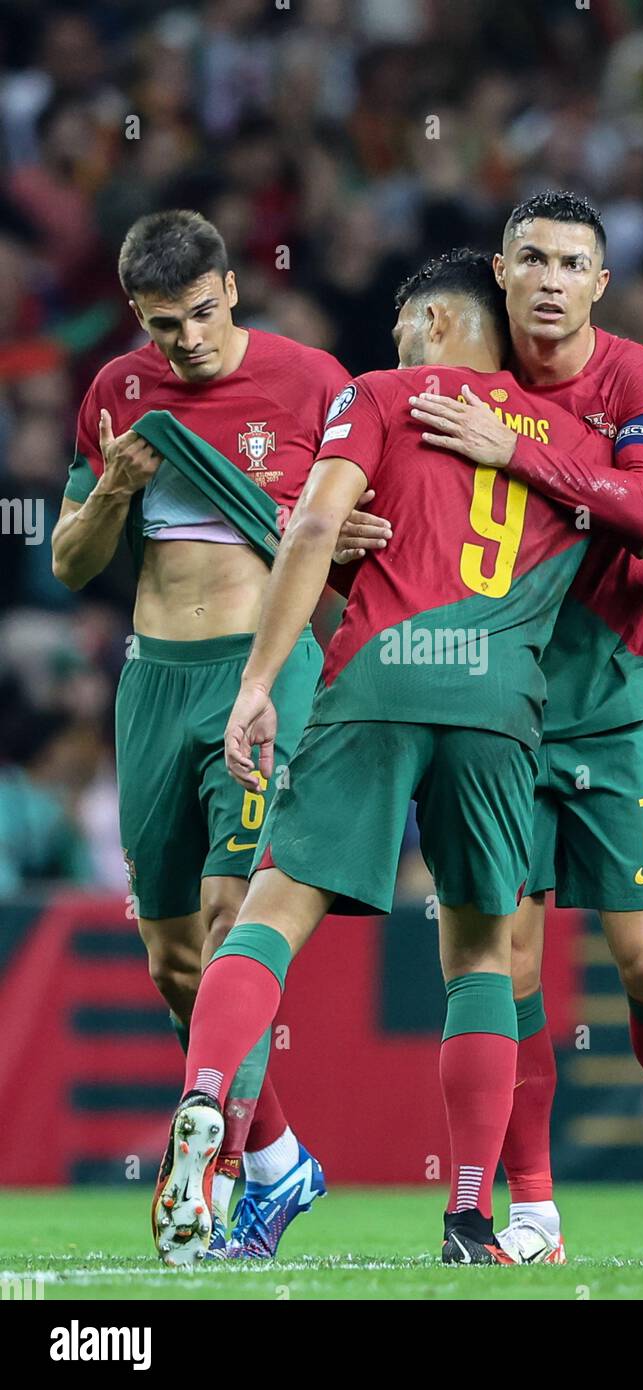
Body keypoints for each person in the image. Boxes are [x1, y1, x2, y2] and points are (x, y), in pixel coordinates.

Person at [151, 247, 619, 1267]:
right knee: (482, 957)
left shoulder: (381, 394)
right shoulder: (573, 438)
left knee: (273, 910)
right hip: (499, 703)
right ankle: (466, 1215)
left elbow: (317, 521)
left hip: (377, 676)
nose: (397, 339)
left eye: (411, 321)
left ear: (447, 326)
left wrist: (260, 682)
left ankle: (203, 1107)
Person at [411, 192, 643, 1266]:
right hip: (496, 718)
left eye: (573, 261)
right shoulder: (466, 376)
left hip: (611, 710)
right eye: (533, 259)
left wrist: (515, 451)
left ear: (599, 283)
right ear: (502, 275)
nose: (553, 278)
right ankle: (532, 1209)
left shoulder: (637, 381)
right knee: (507, 963)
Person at [51, 208, 351, 1256]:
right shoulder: (117, 395)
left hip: (260, 680)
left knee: (234, 918)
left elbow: (372, 528)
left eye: (201, 316)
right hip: (152, 683)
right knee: (175, 956)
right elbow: (72, 562)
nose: (187, 342)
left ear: (233, 285)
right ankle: (278, 1161)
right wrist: (115, 493)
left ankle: (213, 1176)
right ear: (137, 315)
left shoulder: (313, 381)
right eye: (162, 325)